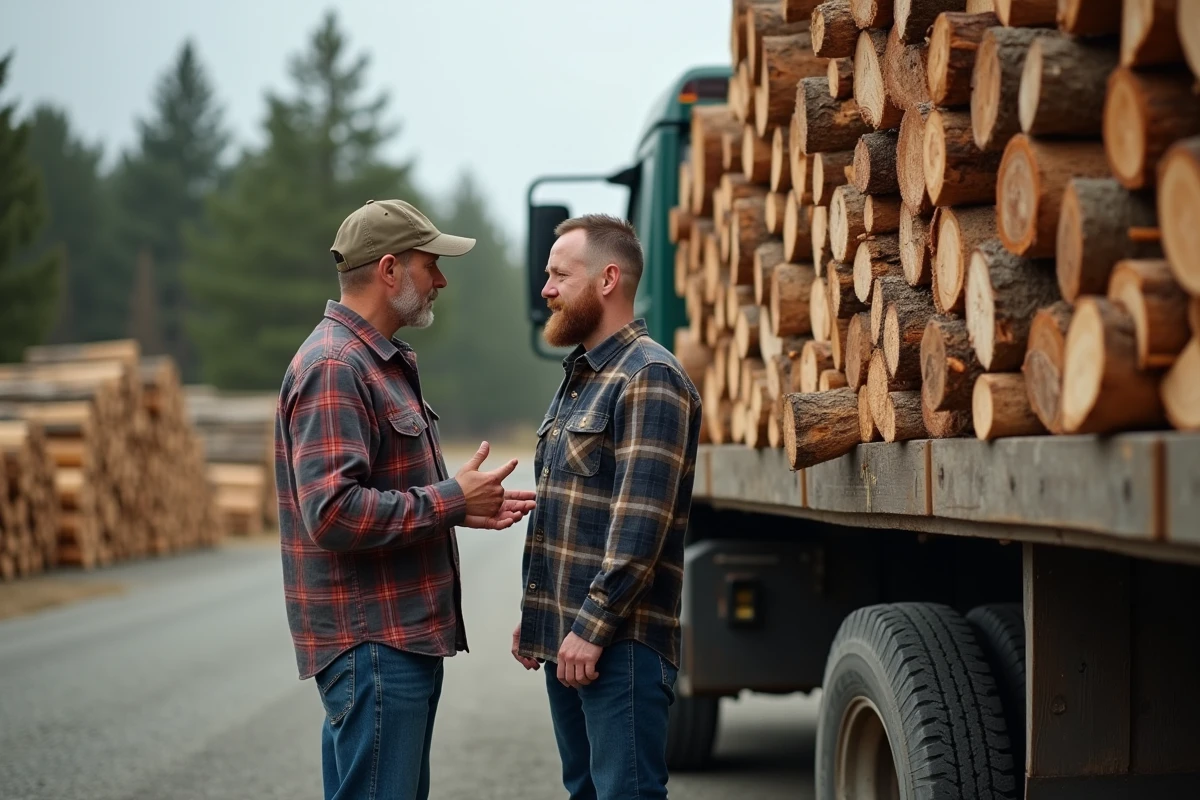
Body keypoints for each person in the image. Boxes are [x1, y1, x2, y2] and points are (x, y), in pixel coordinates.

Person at [275, 198, 536, 800]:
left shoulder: (370, 361)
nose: (441, 279)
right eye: (431, 264)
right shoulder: (337, 365)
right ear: (390, 270)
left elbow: (377, 494)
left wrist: (462, 505)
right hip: (374, 646)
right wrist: (449, 500)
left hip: (390, 644)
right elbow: (333, 511)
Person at [511, 214, 703, 799]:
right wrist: (540, 614)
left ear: (607, 279)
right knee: (586, 793)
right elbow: (567, 512)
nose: (545, 289)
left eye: (558, 275)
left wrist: (590, 629)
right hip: (569, 641)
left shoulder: (649, 377)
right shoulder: (581, 378)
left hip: (618, 647)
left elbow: (637, 530)